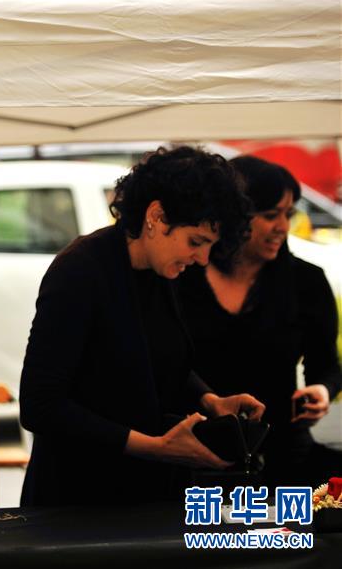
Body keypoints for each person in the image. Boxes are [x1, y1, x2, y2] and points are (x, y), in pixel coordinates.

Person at [19, 146, 265, 507]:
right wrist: (155, 447)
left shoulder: (159, 270)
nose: (201, 259)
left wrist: (210, 400)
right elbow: (40, 405)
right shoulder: (81, 270)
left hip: (143, 494)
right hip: (77, 499)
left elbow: (157, 358)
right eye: (195, 242)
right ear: (157, 216)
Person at [177, 156, 342, 488]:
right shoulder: (182, 274)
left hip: (284, 456)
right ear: (234, 216)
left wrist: (322, 391)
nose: (283, 226)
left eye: (288, 214)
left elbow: (326, 364)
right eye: (270, 215)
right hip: (192, 455)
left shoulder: (305, 281)